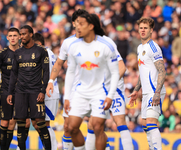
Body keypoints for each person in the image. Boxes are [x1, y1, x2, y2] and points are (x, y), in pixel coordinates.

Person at [64, 12, 119, 150]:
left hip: (100, 92)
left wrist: (110, 95)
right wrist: (67, 97)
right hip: (80, 92)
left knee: (97, 127)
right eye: (76, 24)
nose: (77, 27)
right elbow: (70, 72)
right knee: (71, 127)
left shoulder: (106, 45)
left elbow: (115, 72)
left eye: (81, 24)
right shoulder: (74, 46)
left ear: (91, 26)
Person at [85, 14, 134, 150]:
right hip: (99, 87)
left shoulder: (106, 42)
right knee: (92, 124)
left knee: (120, 122)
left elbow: (122, 67)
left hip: (113, 86)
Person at [46, 9, 89, 150]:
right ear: (73, 24)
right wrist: (51, 81)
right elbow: (58, 63)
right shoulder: (67, 42)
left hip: (93, 88)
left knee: (96, 125)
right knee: (68, 127)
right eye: (77, 22)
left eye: (83, 22)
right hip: (73, 90)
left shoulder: (96, 41)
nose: (80, 25)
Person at [6, 25, 51, 150]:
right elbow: (14, 74)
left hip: (36, 92)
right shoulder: (18, 52)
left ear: (31, 34)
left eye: (24, 34)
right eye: (20, 34)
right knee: (21, 124)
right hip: (20, 92)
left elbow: (46, 72)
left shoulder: (41, 51)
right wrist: (10, 92)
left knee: (40, 124)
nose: (21, 37)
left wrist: (43, 91)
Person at [128, 17, 166, 150]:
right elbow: (143, 71)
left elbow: (162, 71)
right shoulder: (140, 48)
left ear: (151, 30)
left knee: (151, 124)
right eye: (141, 28)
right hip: (145, 92)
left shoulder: (153, 47)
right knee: (145, 125)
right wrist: (136, 89)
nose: (143, 30)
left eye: (146, 28)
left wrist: (157, 92)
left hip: (155, 90)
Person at [32, 32, 59, 150]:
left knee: (44, 124)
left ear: (38, 44)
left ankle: (52, 147)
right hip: (49, 92)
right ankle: (49, 146)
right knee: (37, 123)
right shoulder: (50, 53)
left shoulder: (43, 53)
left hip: (48, 93)